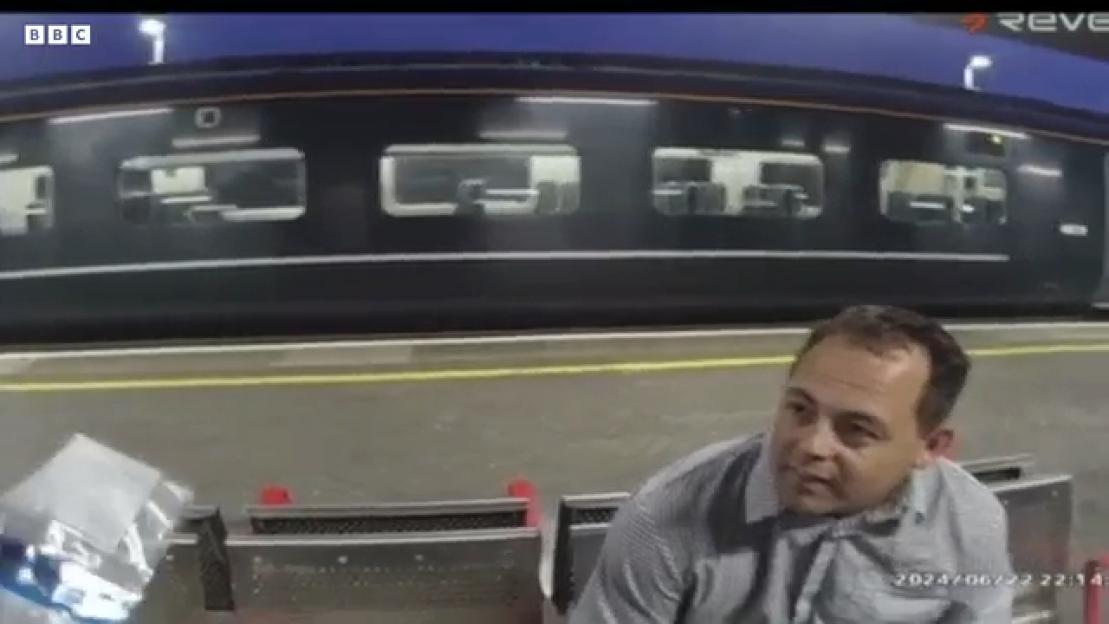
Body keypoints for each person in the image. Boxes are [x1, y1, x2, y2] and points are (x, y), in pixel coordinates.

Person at [570, 305, 1012, 623]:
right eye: (800, 410)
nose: (812, 445)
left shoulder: (971, 525)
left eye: (856, 429)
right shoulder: (666, 517)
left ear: (930, 447)